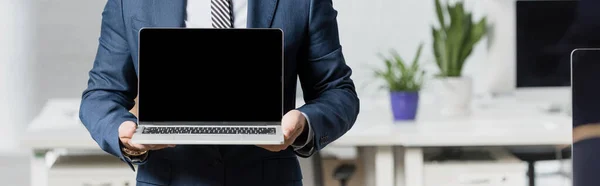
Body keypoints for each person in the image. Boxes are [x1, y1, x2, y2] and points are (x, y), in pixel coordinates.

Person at [78, 0, 360, 185]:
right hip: (170, 178)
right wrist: (122, 133)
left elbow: (338, 91)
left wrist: (304, 124)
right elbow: (102, 94)